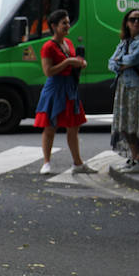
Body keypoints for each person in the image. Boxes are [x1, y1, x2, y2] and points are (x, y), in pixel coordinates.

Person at [34, 9, 96, 175]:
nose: (68, 26)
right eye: (64, 23)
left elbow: (72, 62)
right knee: (50, 127)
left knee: (73, 127)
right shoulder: (47, 47)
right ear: (54, 26)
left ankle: (77, 163)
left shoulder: (68, 43)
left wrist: (80, 63)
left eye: (68, 22)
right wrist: (68, 62)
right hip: (55, 88)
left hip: (70, 88)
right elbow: (48, 71)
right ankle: (46, 162)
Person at [107, 7, 139, 174]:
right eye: (133, 19)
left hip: (137, 87)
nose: (136, 22)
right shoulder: (124, 42)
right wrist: (121, 62)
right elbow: (111, 63)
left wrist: (121, 62)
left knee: (135, 124)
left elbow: (134, 59)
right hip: (123, 87)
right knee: (124, 125)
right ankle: (133, 158)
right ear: (126, 23)